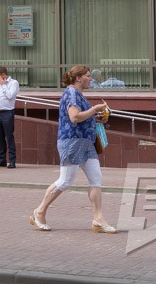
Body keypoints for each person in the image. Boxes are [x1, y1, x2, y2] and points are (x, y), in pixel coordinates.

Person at [29, 65, 116, 234]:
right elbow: (74, 117)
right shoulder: (71, 93)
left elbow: (81, 117)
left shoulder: (78, 94)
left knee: (96, 179)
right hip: (73, 142)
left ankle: (98, 219)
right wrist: (94, 109)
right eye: (88, 76)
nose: (90, 79)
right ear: (78, 78)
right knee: (65, 181)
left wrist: (96, 118)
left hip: (86, 143)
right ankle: (39, 212)